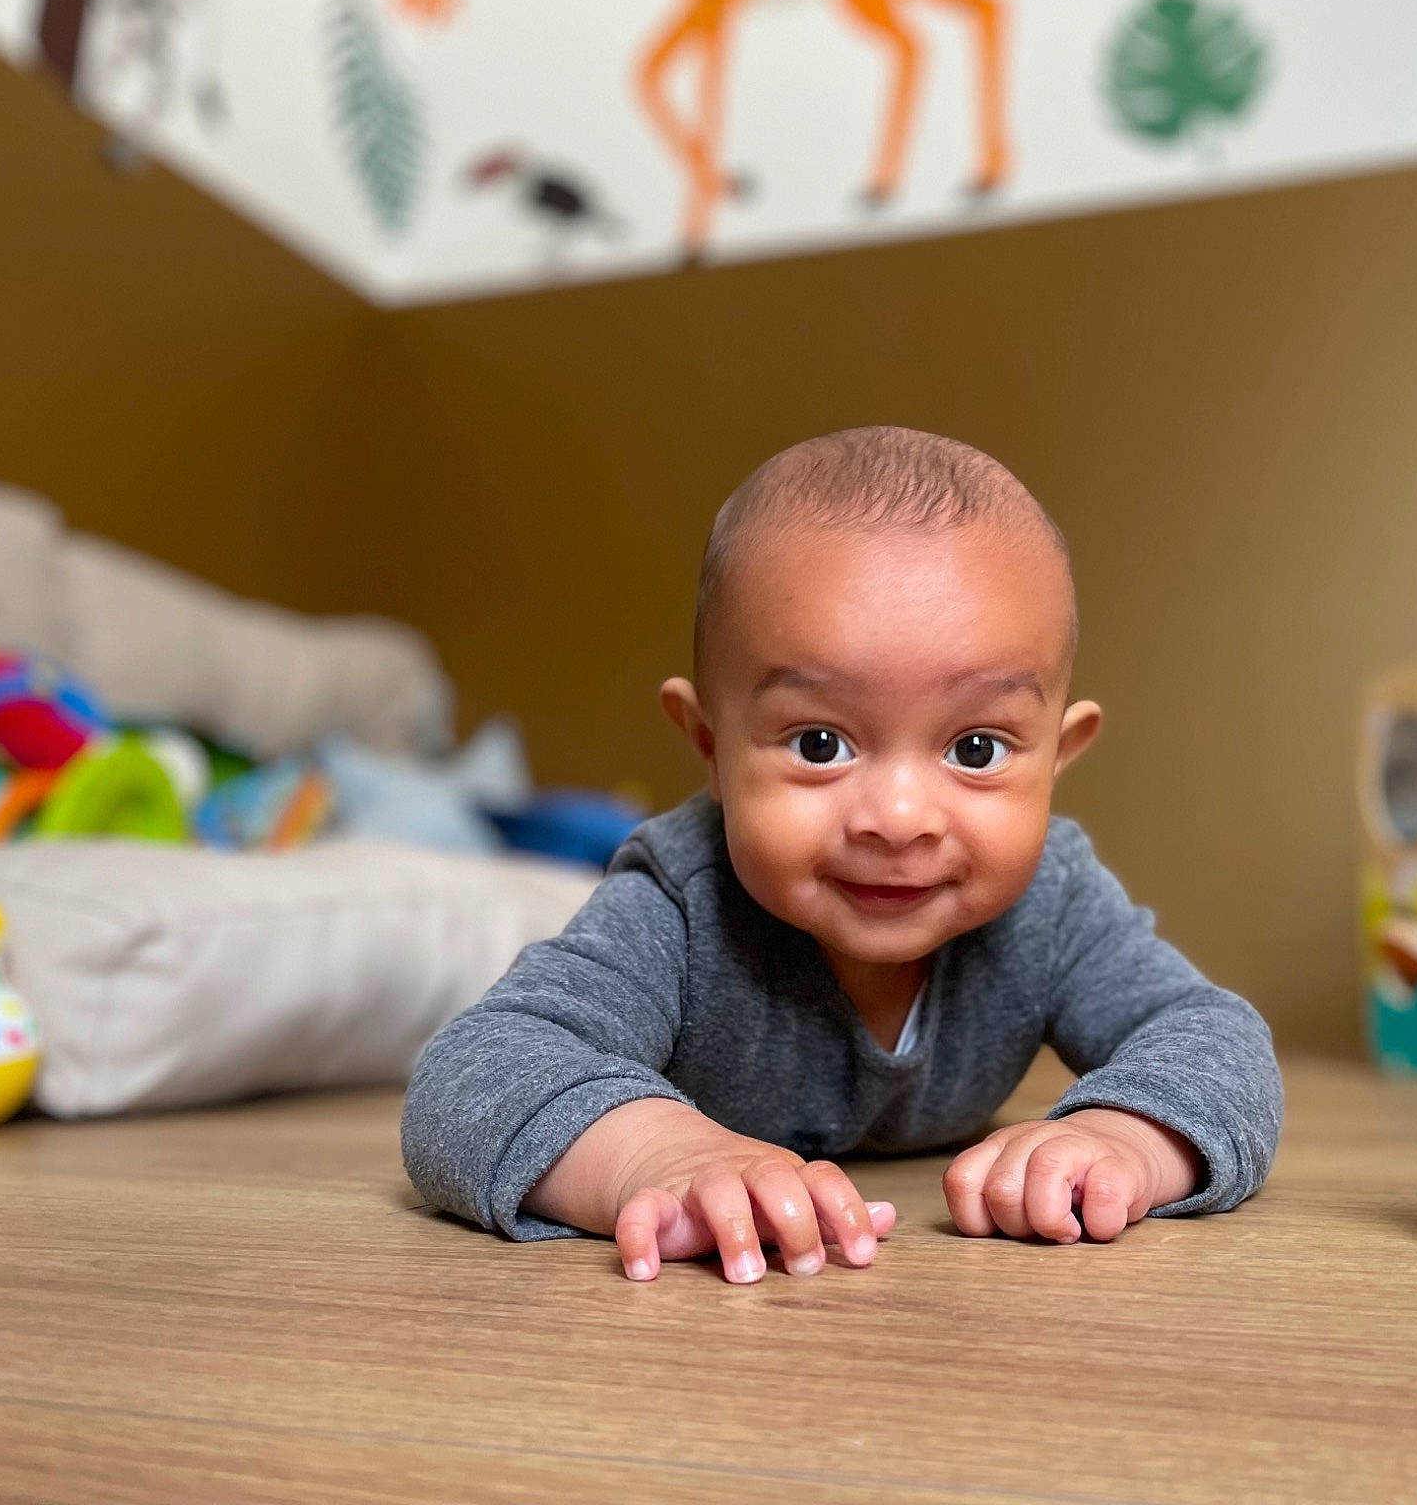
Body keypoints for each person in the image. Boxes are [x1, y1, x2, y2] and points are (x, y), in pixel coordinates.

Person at [401, 426, 1282, 1282]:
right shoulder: (681, 902)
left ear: (1058, 755)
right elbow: (474, 1074)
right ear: (709, 745)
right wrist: (659, 1156)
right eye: (820, 743)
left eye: (976, 749)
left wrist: (1126, 1138)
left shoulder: (1050, 900)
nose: (898, 820)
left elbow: (1215, 1038)